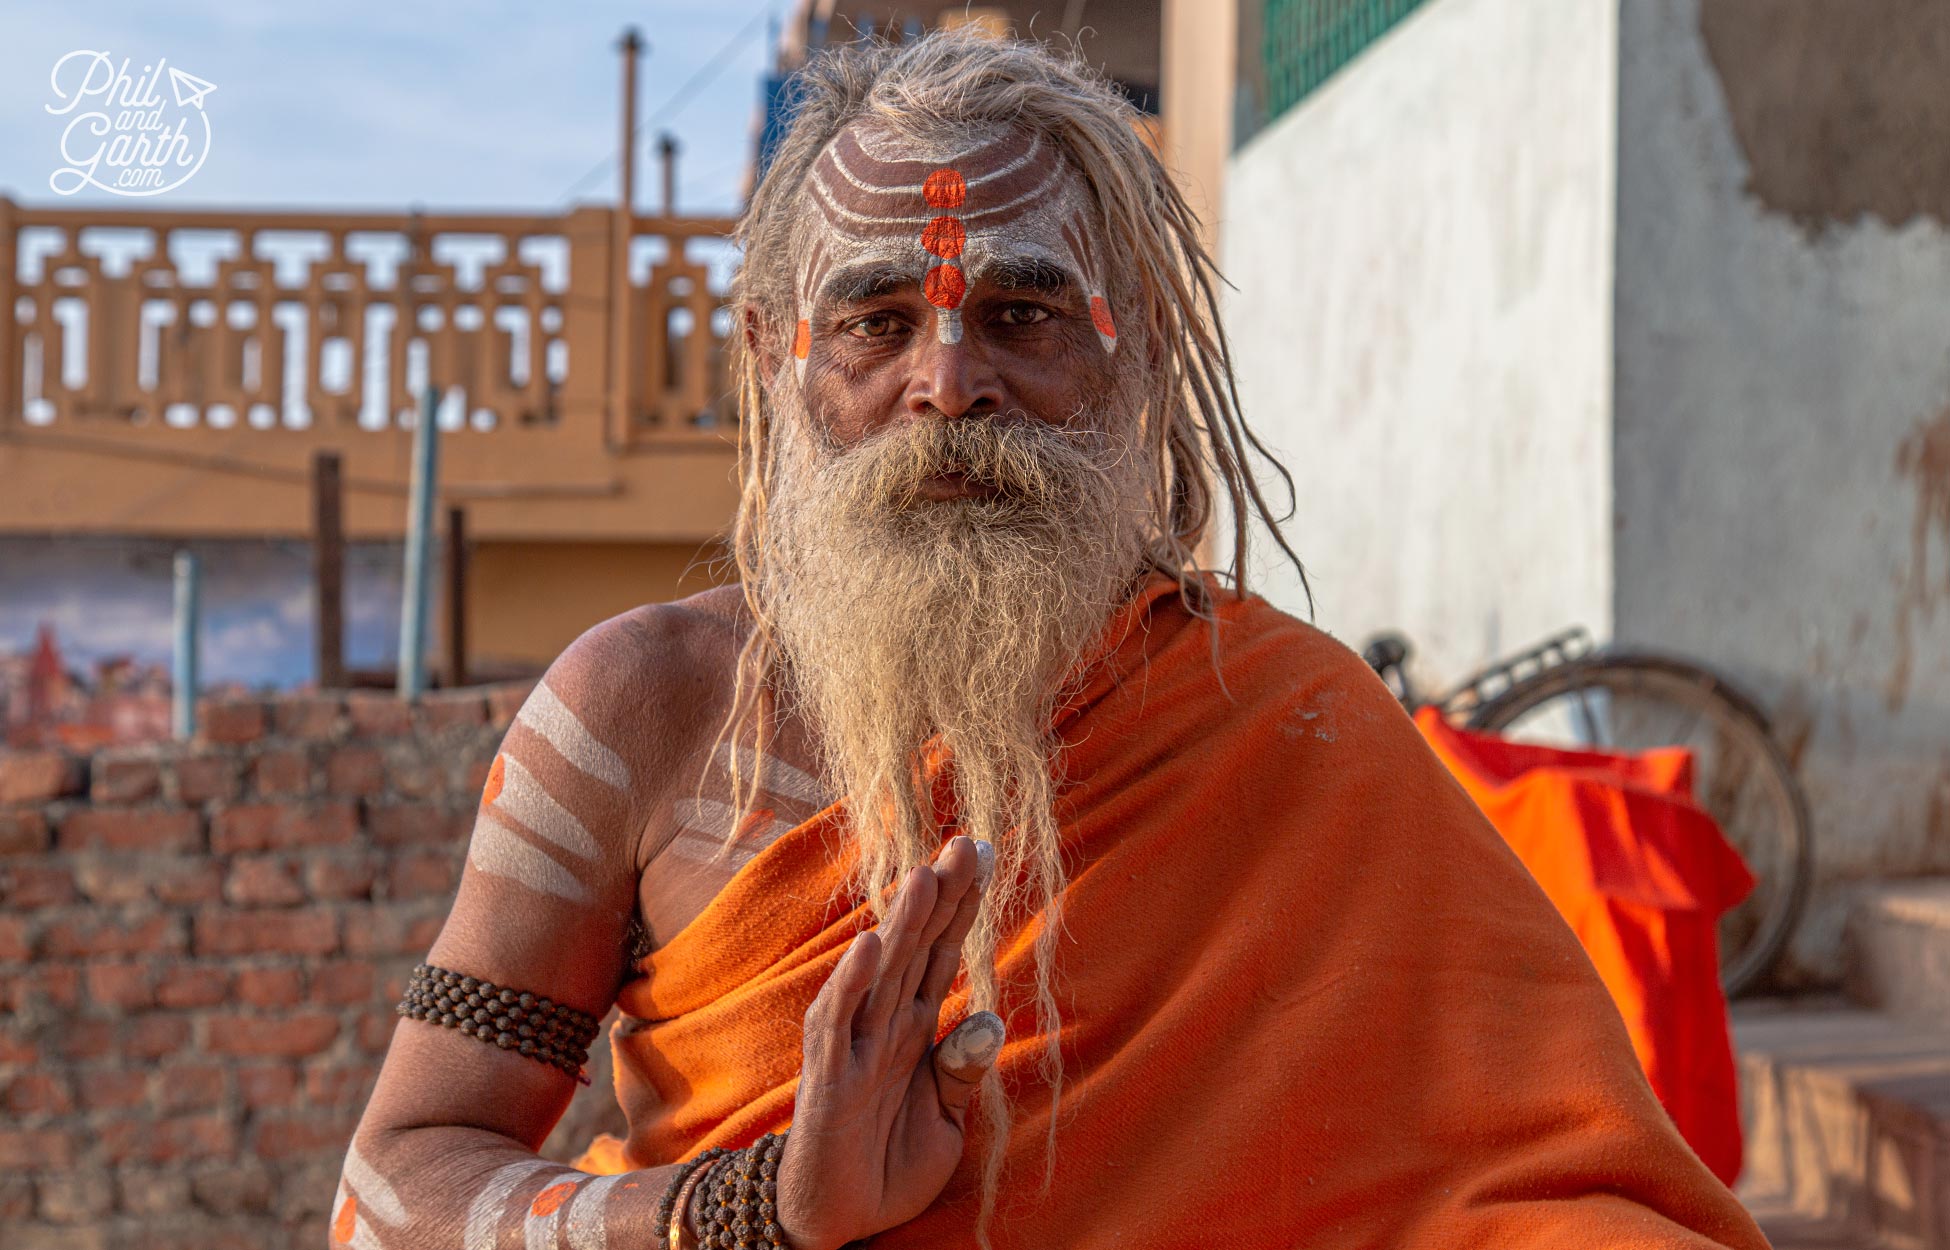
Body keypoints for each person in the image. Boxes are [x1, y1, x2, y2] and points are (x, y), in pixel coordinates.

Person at [334, 30, 1772, 1250]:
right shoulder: (640, 708)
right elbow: (394, 1187)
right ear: (782, 353)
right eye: (876, 320)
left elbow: (1541, 1189)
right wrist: (753, 1206)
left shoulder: (1284, 720)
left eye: (1020, 311)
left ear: (1132, 343)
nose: (948, 381)